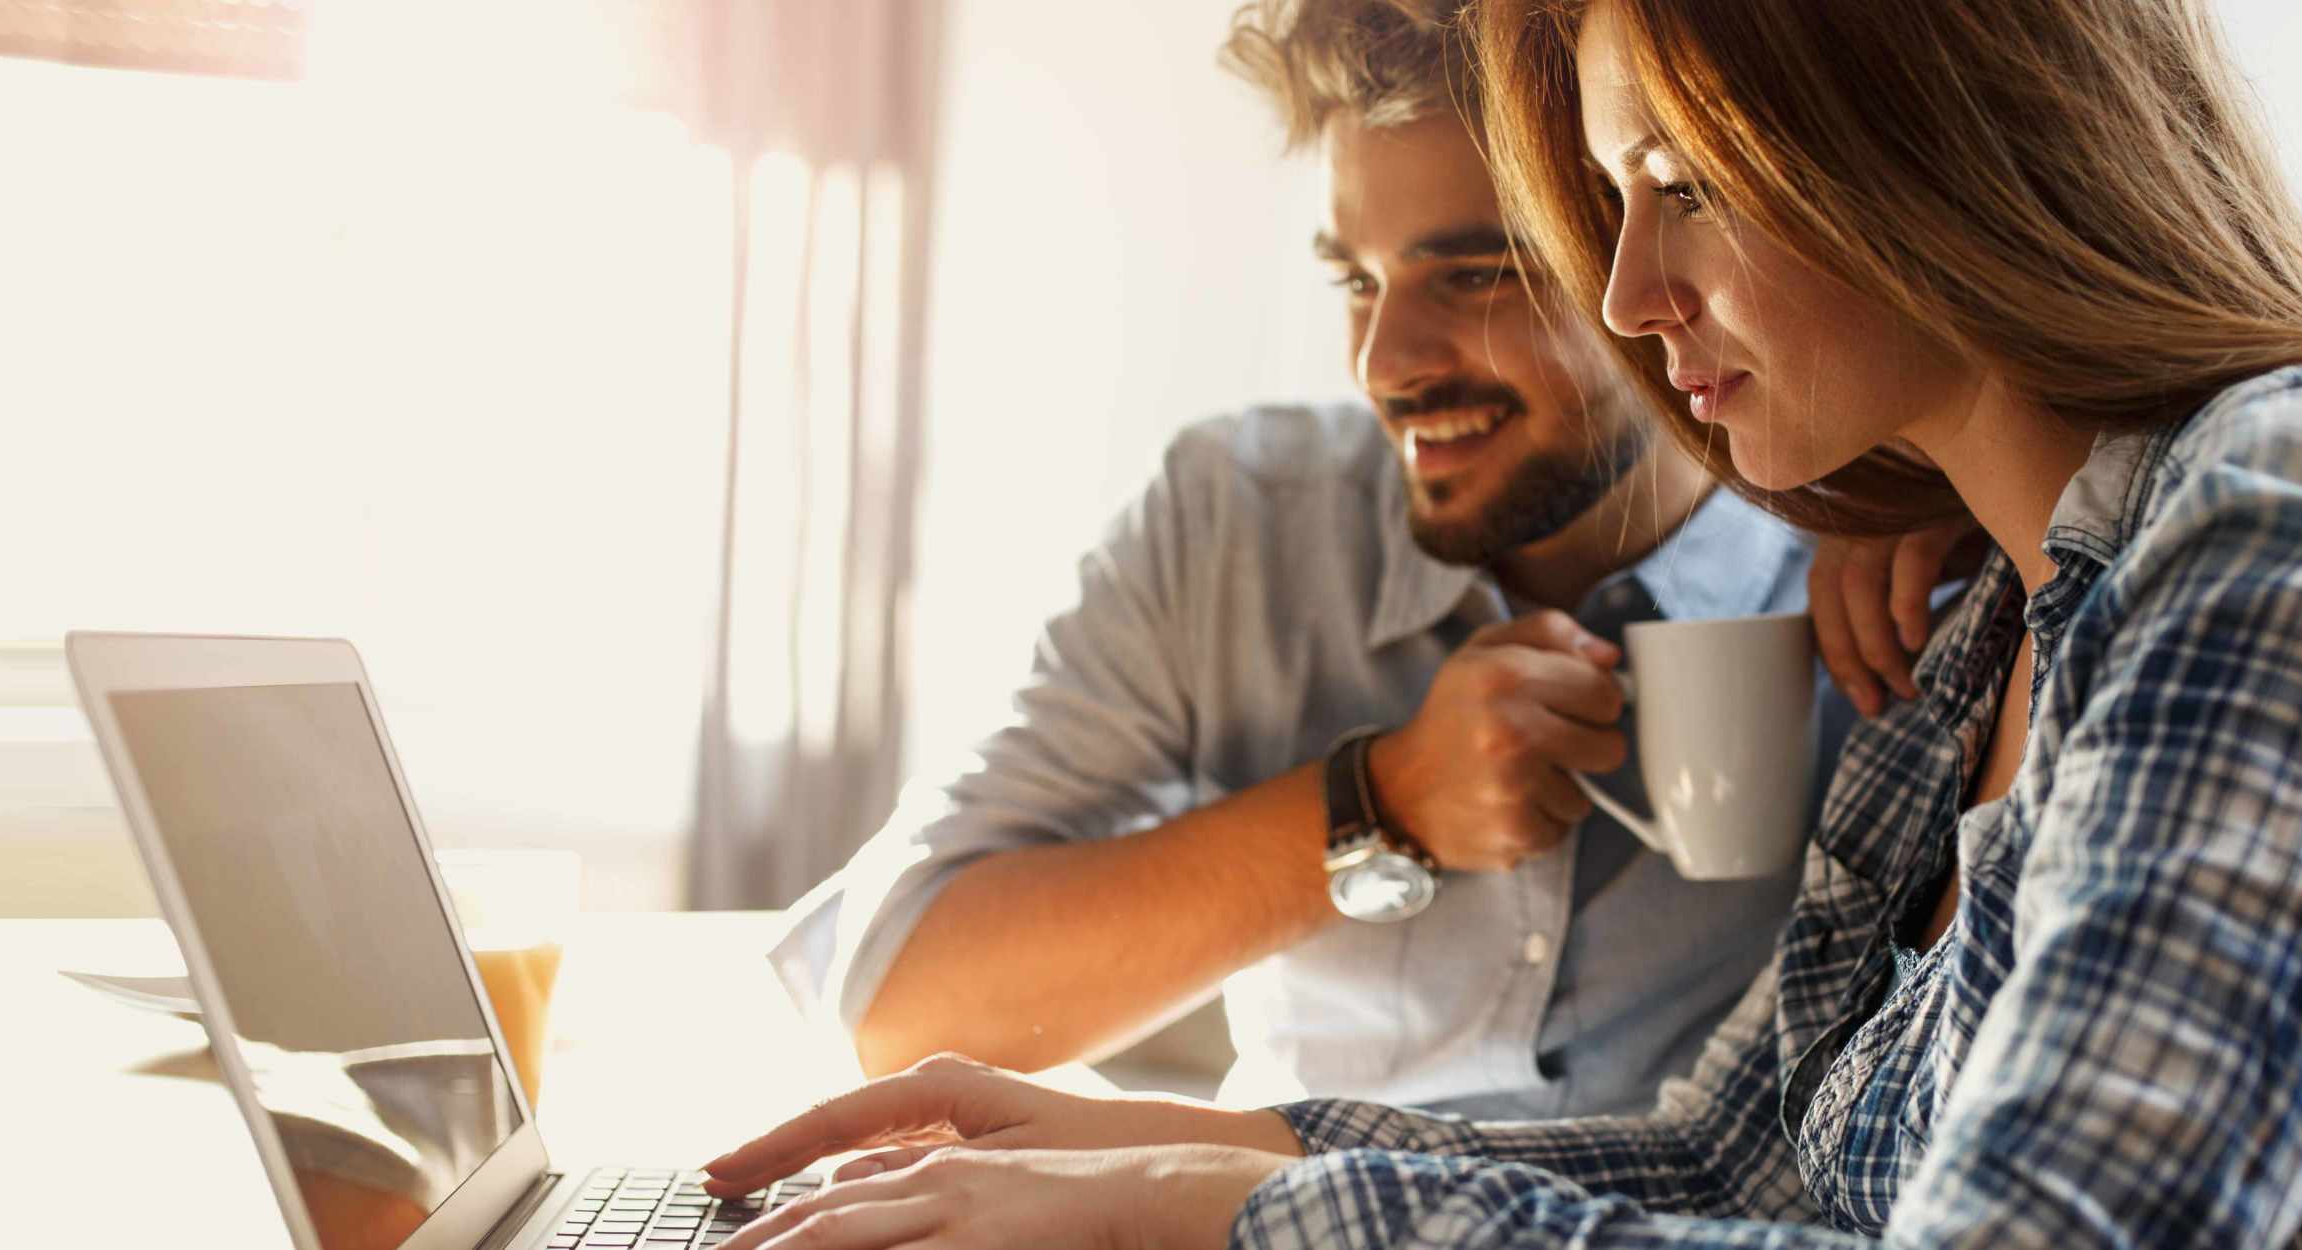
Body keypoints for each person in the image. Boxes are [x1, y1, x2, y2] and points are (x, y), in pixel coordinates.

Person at [692, 0, 2302, 1246]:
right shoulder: (1986, 637)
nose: (1626, 297)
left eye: (1672, 182)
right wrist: (1149, 1136)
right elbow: (1739, 1150)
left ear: (1931, 128)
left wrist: (1206, 1213)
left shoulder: (2299, 523)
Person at [766, 0, 1868, 1121]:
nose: (1382, 363)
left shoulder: (1879, 554)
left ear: (1652, 256)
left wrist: (1918, 510)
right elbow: (897, 999)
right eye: (1357, 280)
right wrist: (1375, 804)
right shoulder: (1236, 524)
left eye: (1475, 275)